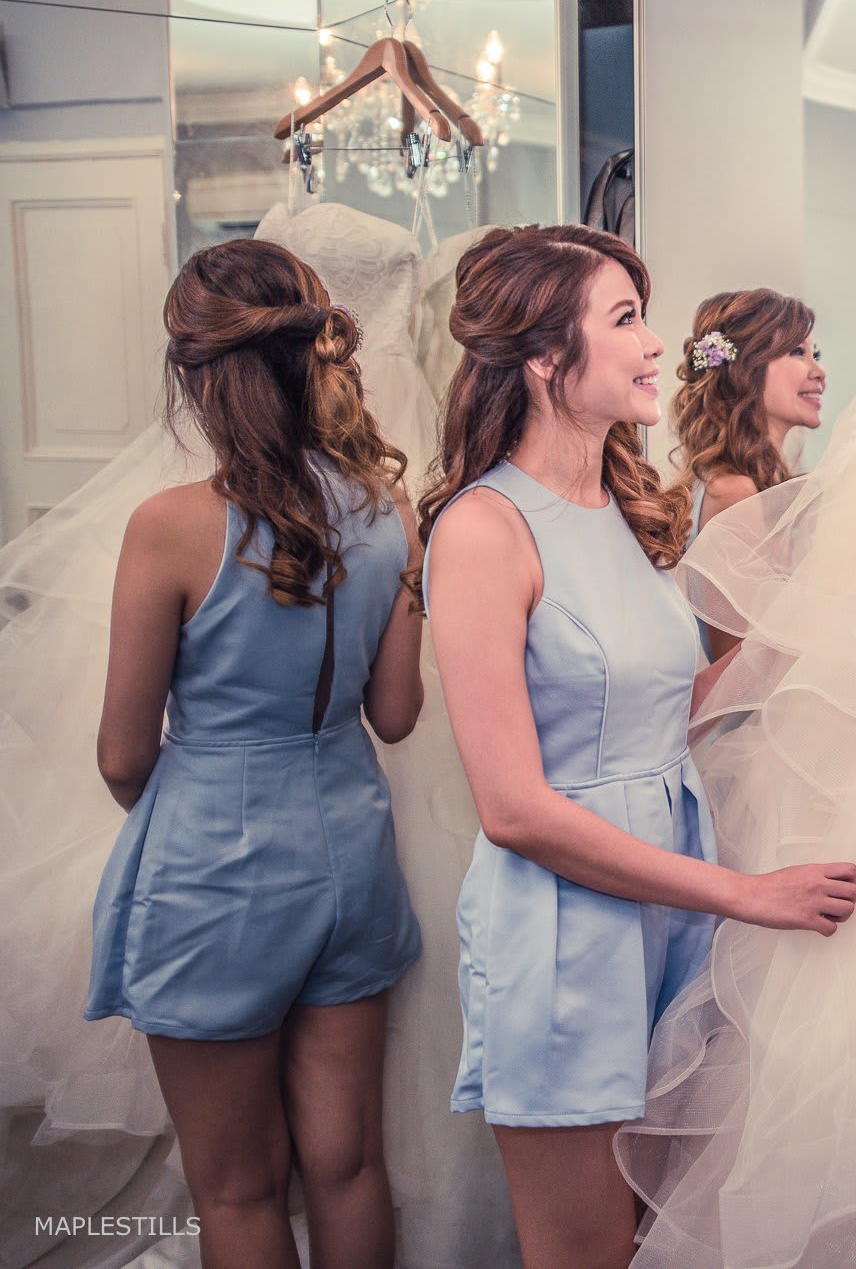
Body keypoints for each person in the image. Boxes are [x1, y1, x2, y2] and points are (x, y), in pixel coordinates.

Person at [415, 225, 856, 1269]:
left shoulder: (623, 507)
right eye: (626, 320)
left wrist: (835, 640)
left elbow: (672, 709)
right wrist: (749, 894)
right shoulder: (484, 529)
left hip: (674, 909)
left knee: (663, 1240)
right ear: (542, 358)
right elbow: (513, 806)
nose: (659, 344)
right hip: (571, 930)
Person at [85, 238, 425, 1269]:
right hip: (352, 851)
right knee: (349, 1161)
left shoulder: (170, 526)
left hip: (213, 860)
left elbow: (119, 752)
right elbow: (397, 713)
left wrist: (188, 807)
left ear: (198, 376)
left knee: (236, 1187)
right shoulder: (389, 511)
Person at [670, 287, 825, 658]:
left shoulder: (747, 485)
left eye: (815, 354)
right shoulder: (732, 492)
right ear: (746, 368)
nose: (819, 372)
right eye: (797, 352)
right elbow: (735, 664)